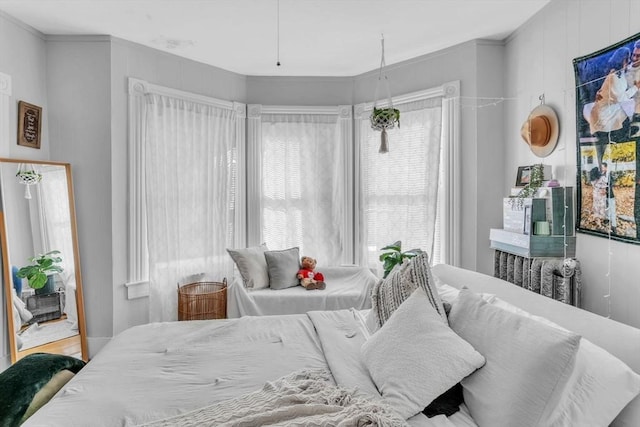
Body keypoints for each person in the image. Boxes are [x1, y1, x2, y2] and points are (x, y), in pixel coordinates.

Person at [589, 47, 638, 142]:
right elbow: (621, 98)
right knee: (630, 106)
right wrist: (636, 87)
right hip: (606, 114)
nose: (630, 61)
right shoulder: (614, 76)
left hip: (613, 106)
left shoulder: (620, 72)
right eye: (627, 59)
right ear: (622, 60)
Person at [601, 162, 617, 234]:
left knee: (612, 209)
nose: (602, 168)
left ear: (606, 167)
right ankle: (607, 219)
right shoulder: (603, 174)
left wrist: (606, 190)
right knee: (606, 207)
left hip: (610, 195)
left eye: (603, 167)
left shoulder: (609, 174)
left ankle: (614, 226)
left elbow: (610, 184)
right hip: (605, 195)